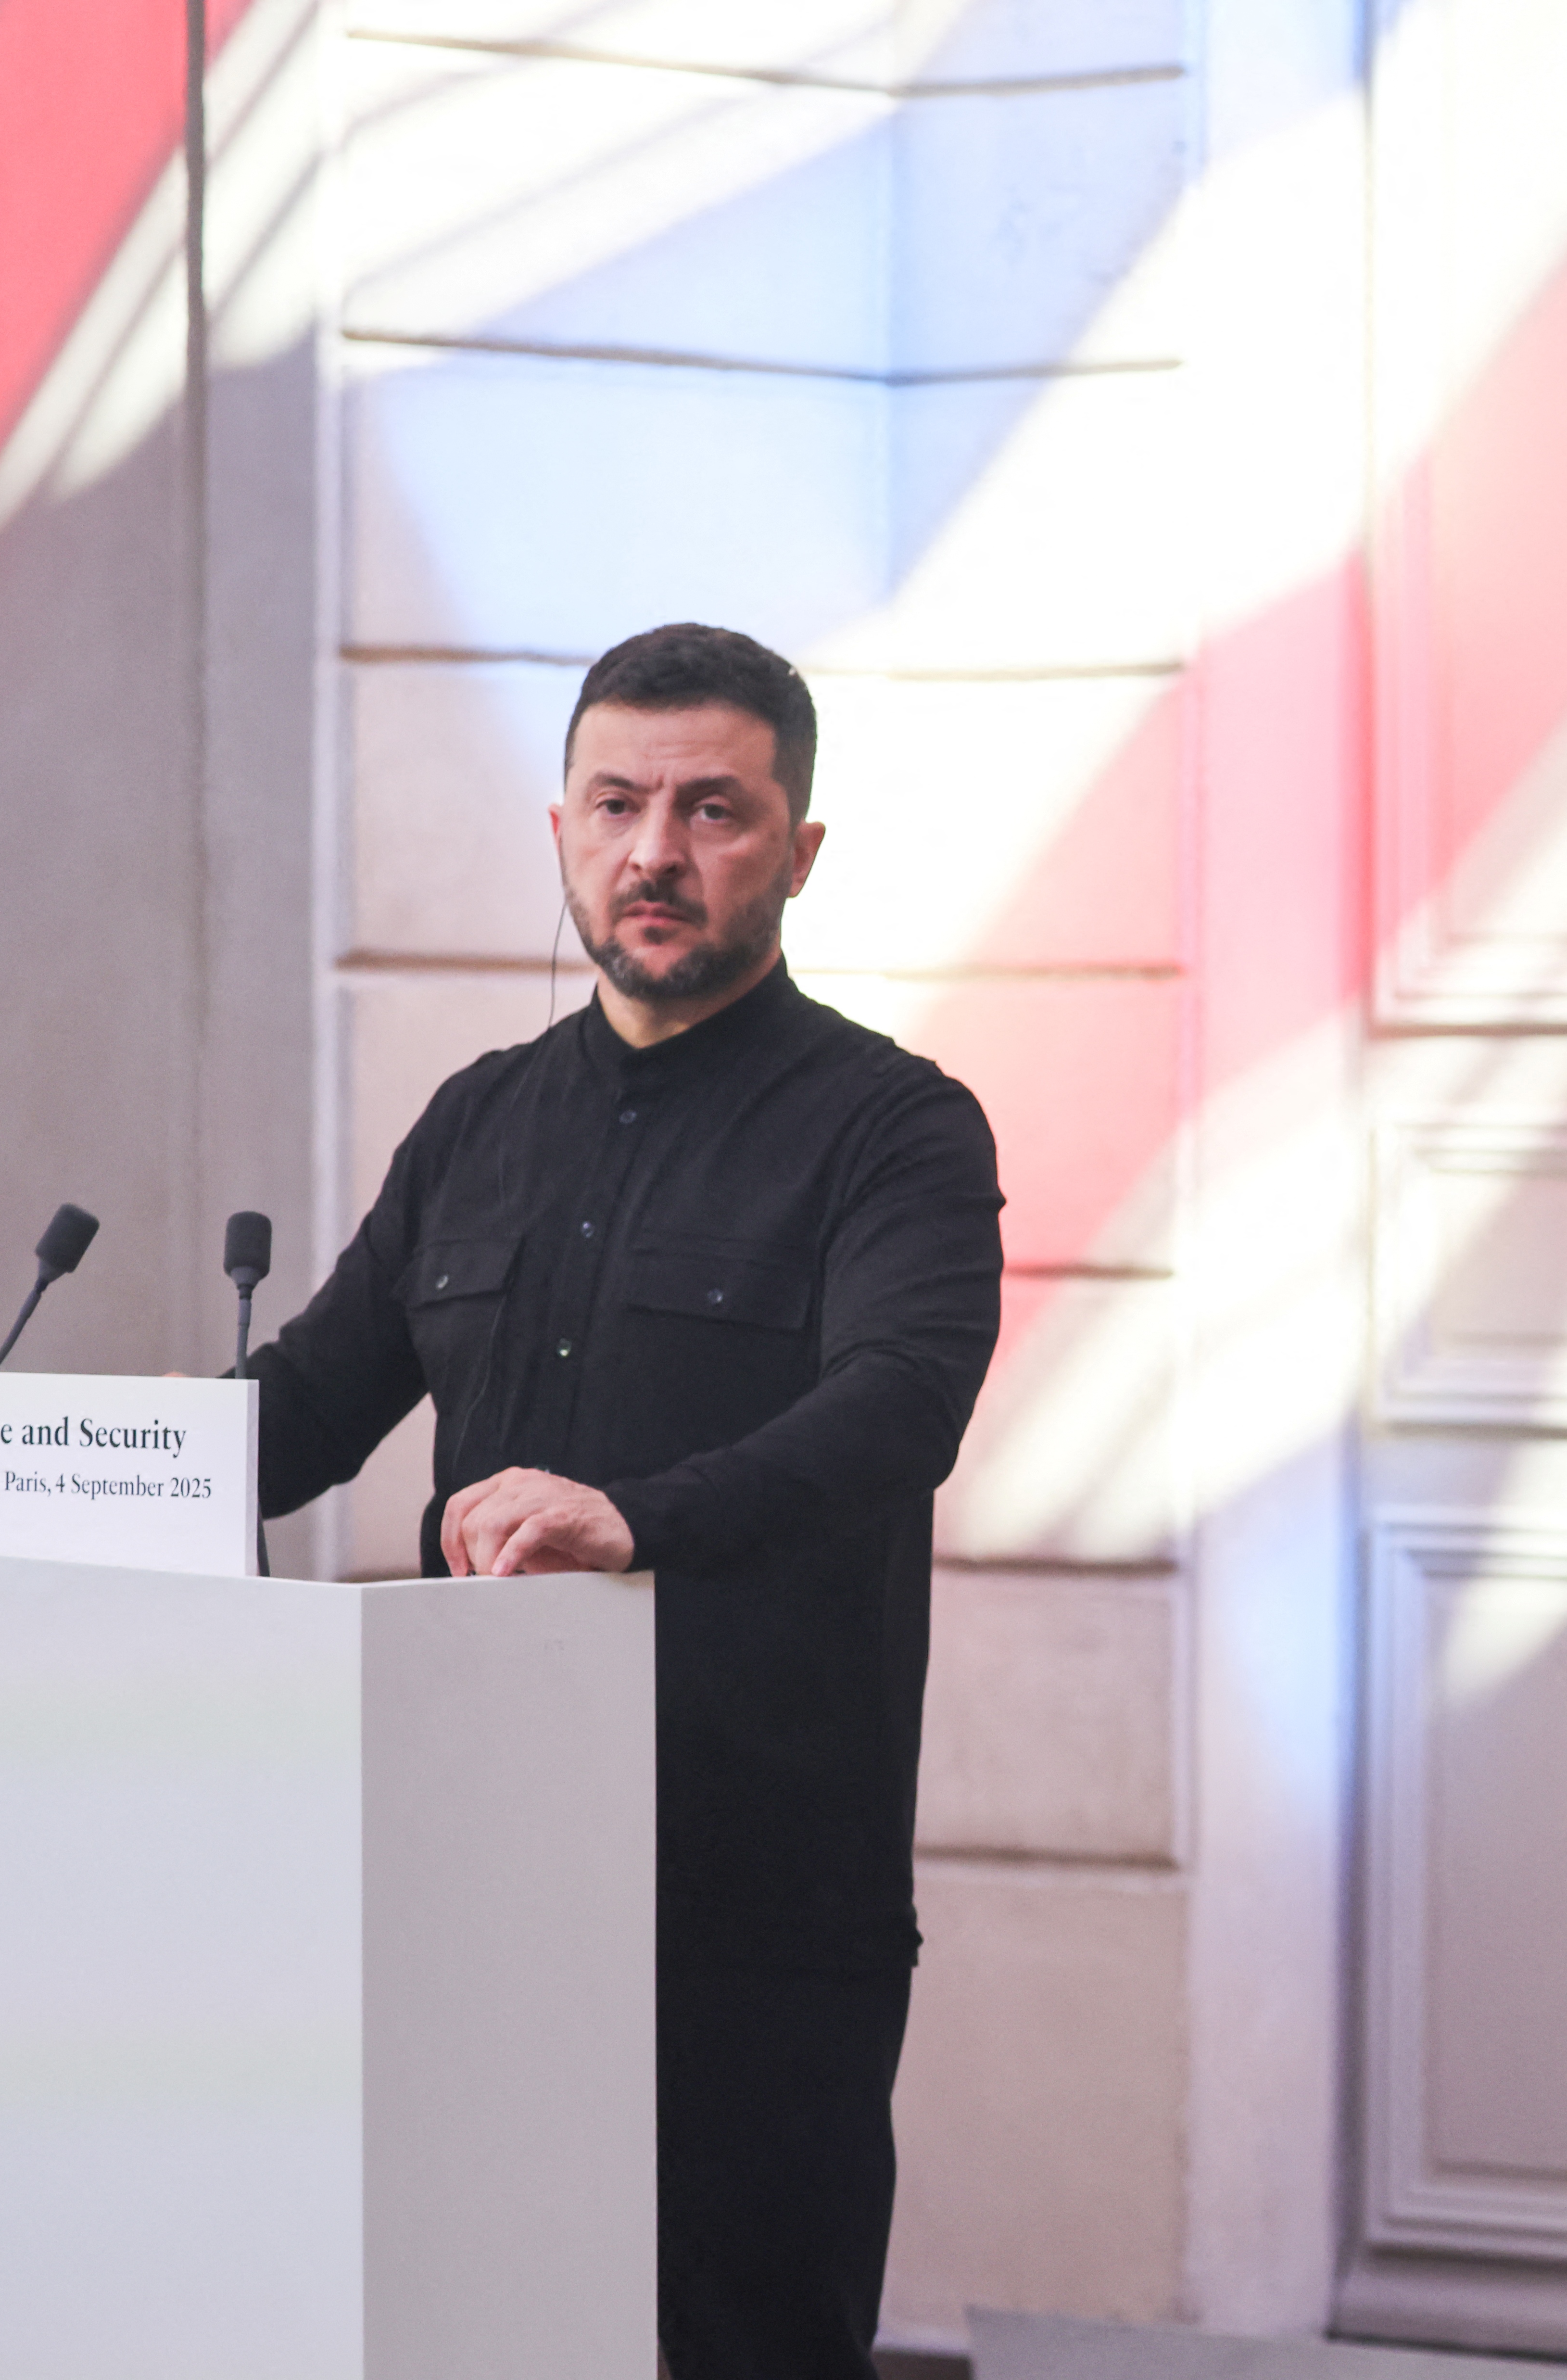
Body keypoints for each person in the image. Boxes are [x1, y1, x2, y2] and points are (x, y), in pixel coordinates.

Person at [250, 623, 1005, 2380]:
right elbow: (297, 1413)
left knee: (746, 2347)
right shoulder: (478, 1121)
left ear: (799, 850)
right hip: (467, 1877)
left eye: (712, 809)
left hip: (755, 1904)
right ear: (563, 828)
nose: (654, 850)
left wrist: (632, 1518)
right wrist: (59, 1483)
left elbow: (899, 1410)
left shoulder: (897, 1130)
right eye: (616, 803)